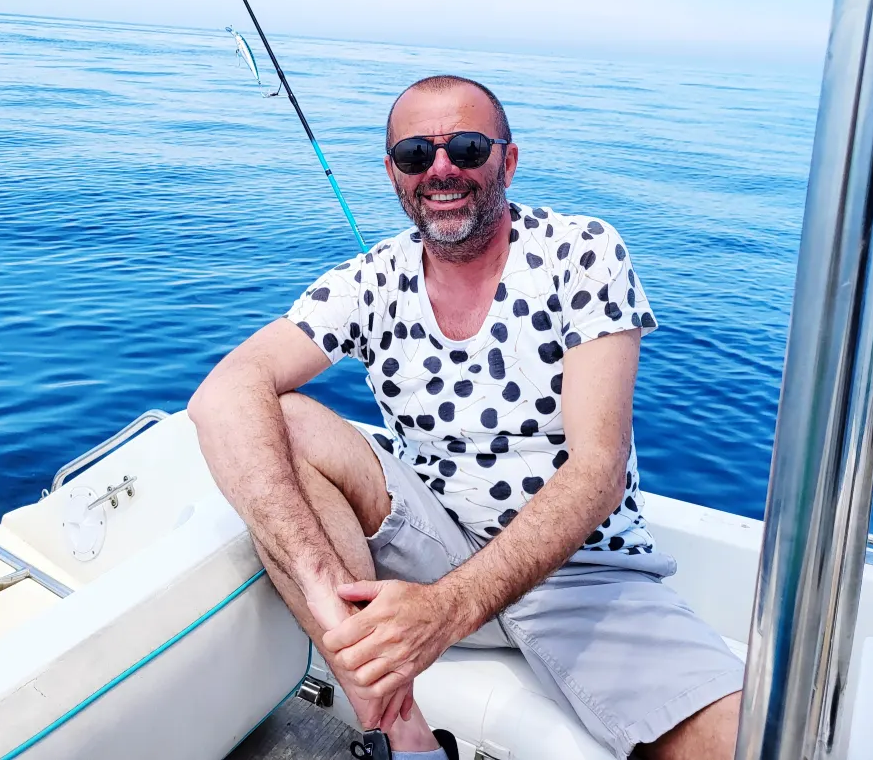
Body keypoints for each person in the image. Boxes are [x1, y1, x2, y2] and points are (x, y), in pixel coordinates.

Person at [188, 75, 744, 760]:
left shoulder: (582, 252)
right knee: (280, 419)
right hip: (430, 547)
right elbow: (223, 390)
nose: (441, 169)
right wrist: (326, 597)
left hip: (578, 569)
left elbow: (598, 470)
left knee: (748, 739)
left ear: (507, 160)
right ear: (394, 173)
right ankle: (405, 738)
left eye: (468, 147)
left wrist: (445, 610)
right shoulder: (369, 280)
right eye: (417, 153)